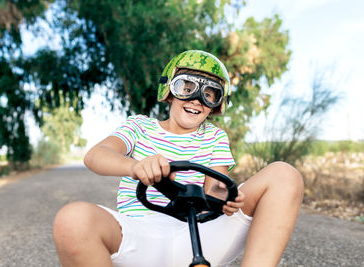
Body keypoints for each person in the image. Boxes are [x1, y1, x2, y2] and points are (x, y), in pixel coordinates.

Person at [53, 50, 304, 267]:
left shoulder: (215, 137)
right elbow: (95, 156)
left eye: (210, 94)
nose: (196, 99)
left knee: (284, 174)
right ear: (169, 91)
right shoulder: (139, 126)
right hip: (141, 238)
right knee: (73, 220)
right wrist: (136, 166)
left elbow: (216, 188)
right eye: (186, 87)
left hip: (200, 233)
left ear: (216, 104)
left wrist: (225, 199)